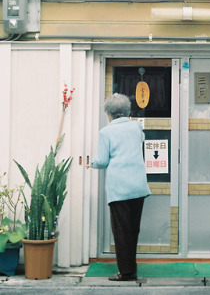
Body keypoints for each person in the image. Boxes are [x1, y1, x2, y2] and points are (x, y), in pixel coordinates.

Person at [87, 93, 150, 281]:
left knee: (121, 230)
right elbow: (140, 141)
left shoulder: (106, 132)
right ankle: (131, 267)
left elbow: (103, 160)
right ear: (127, 110)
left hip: (119, 188)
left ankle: (126, 272)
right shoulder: (136, 127)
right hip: (138, 186)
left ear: (108, 113)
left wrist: (92, 163)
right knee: (133, 229)